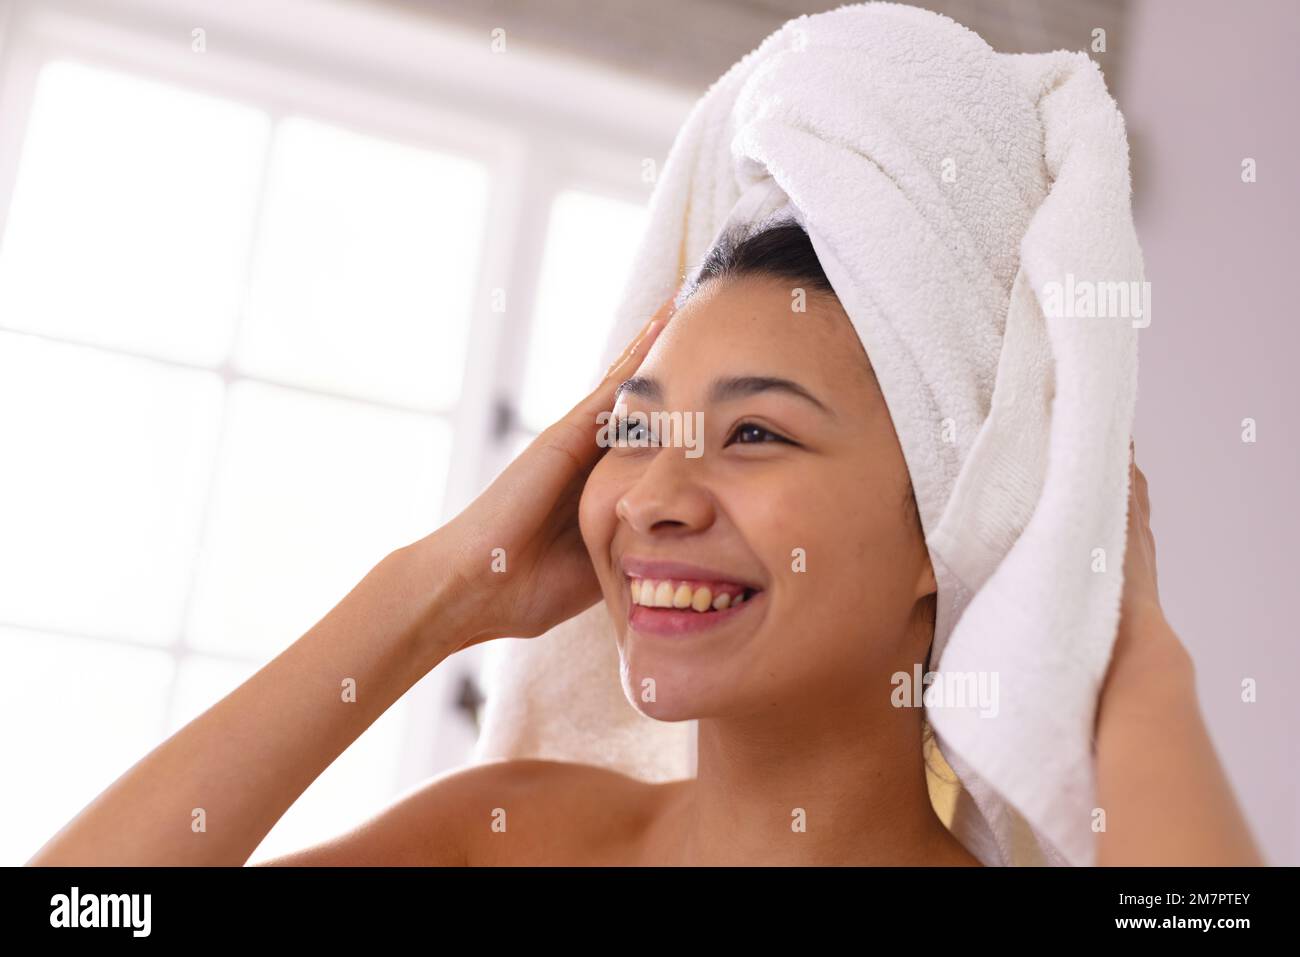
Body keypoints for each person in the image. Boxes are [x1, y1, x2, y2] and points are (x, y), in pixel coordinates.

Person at [27, 222, 1262, 866]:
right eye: (632, 430)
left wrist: (1131, 660)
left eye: (758, 435)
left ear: (952, 522)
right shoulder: (503, 842)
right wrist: (432, 595)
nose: (652, 496)